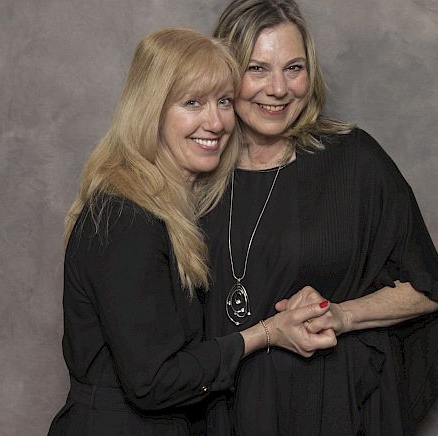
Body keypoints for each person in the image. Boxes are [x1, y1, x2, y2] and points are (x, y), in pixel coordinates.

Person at [47, 28, 337, 436]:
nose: (215, 122)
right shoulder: (125, 217)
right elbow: (154, 381)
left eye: (222, 101)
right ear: (151, 111)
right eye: (192, 103)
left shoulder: (172, 209)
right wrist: (266, 334)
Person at [202, 0, 438, 435]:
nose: (279, 89)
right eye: (257, 69)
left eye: (294, 68)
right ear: (225, 75)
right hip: (223, 408)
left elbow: (427, 289)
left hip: (329, 406)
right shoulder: (196, 168)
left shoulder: (354, 161)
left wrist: (340, 314)